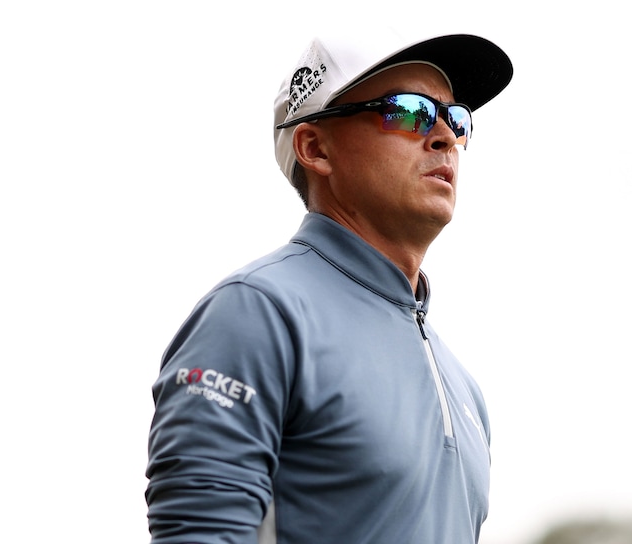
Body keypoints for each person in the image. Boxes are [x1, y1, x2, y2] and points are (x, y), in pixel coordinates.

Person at [146, 30, 513, 544]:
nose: (444, 136)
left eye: (455, 119)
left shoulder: (465, 387)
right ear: (315, 147)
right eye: (408, 112)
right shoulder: (257, 313)